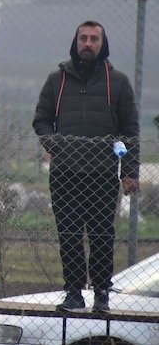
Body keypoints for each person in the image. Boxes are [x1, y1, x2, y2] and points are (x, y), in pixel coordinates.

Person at [32, 20, 139, 313]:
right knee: (68, 234)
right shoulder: (57, 80)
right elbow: (40, 120)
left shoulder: (117, 82)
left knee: (102, 234)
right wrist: (55, 144)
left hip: (103, 174)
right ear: (75, 42)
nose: (88, 43)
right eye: (83, 38)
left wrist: (130, 171)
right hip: (65, 173)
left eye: (94, 39)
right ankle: (74, 293)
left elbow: (129, 130)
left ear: (102, 44)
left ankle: (102, 293)